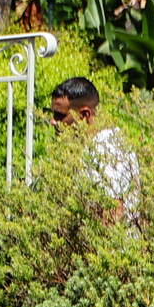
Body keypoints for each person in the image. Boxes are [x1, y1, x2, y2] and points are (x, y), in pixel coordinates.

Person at [48, 75, 138, 215]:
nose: (53, 121)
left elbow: (113, 213)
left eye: (59, 115)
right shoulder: (91, 146)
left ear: (84, 114)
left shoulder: (108, 148)